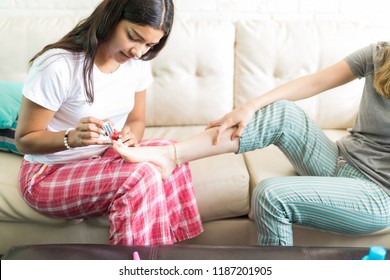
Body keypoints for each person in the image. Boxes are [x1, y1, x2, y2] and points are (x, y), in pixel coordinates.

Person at [112, 41, 390, 246]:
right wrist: (249, 106)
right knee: (283, 112)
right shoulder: (381, 54)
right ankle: (171, 155)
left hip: (376, 193)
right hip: (338, 158)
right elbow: (315, 82)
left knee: (271, 195)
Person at [15, 0, 203, 246]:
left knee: (170, 154)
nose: (138, 51)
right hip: (46, 174)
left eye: (149, 44)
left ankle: (170, 255)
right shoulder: (58, 65)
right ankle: (136, 266)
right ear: (112, 17)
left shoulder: (136, 64)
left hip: (101, 158)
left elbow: (136, 120)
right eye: (133, 37)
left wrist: (131, 138)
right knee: (141, 174)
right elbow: (25, 140)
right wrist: (71, 137)